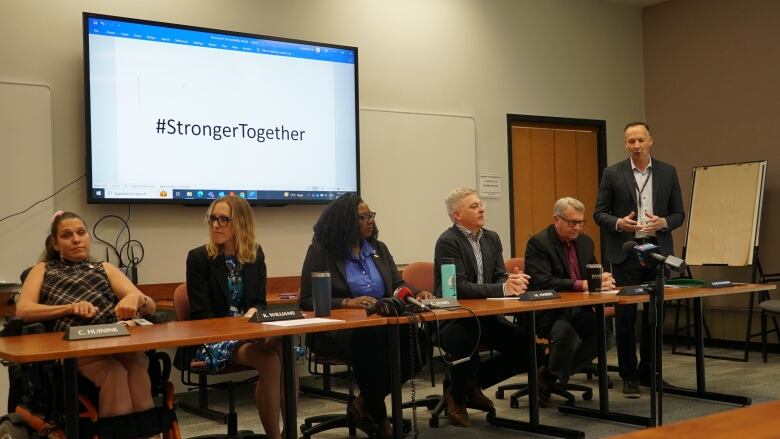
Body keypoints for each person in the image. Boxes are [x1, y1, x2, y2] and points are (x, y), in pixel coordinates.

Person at [16, 211, 161, 438]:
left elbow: (150, 306)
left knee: (137, 364)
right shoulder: (43, 269)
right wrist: (70, 308)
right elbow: (23, 311)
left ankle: (146, 433)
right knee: (113, 372)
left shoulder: (104, 268)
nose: (76, 239)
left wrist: (137, 298)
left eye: (81, 233)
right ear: (55, 243)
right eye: (67, 235)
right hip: (72, 346)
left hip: (112, 338)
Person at [299, 194, 432, 439]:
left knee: (418, 341)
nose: (370, 221)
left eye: (371, 215)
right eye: (363, 217)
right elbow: (307, 300)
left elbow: (397, 283)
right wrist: (347, 302)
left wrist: (416, 293)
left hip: (382, 325)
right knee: (370, 340)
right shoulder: (321, 252)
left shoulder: (378, 249)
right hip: (337, 330)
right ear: (345, 222)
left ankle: (363, 403)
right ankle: (380, 419)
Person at [594, 121, 685, 394]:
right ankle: (629, 375)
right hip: (626, 253)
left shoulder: (668, 172)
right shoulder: (613, 173)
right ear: (625, 144)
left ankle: (651, 372)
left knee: (655, 315)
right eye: (630, 141)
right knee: (625, 316)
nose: (636, 146)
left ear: (650, 141)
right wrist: (620, 223)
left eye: (640, 141)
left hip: (657, 253)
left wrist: (663, 223)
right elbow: (599, 213)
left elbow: (679, 214)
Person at [186, 195, 288, 439]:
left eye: (224, 219)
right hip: (214, 340)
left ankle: (289, 432)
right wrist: (240, 327)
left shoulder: (255, 255)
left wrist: (254, 313)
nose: (216, 225)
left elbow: (259, 303)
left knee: (285, 347)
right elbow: (203, 316)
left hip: (249, 334)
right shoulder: (199, 258)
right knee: (269, 360)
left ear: (241, 223)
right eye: (212, 219)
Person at [433, 187, 531, 427]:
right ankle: (455, 397)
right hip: (454, 318)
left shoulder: (492, 238)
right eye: (474, 206)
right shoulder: (448, 241)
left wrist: (511, 282)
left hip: (486, 316)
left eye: (481, 204)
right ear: (457, 215)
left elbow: (498, 276)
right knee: (464, 341)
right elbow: (459, 288)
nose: (482, 208)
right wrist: (502, 289)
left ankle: (470, 383)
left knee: (527, 348)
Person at [524, 197, 615, 407]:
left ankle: (548, 375)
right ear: (556, 219)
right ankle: (551, 376)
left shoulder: (585, 242)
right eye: (572, 222)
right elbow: (543, 281)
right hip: (548, 310)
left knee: (604, 337)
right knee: (568, 338)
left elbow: (592, 271)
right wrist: (582, 284)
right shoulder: (539, 243)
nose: (577, 228)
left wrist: (604, 279)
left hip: (578, 308)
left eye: (581, 222)